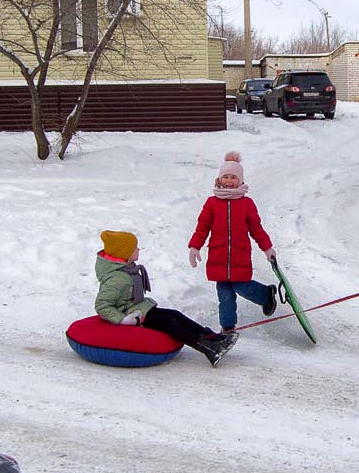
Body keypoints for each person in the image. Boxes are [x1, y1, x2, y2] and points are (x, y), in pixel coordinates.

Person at [94, 230, 238, 367]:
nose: (138, 249)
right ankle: (210, 349)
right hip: (130, 315)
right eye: (134, 248)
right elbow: (102, 305)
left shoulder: (127, 269)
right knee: (169, 322)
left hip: (137, 308)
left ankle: (213, 338)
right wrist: (123, 319)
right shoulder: (116, 279)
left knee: (175, 314)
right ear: (124, 254)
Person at [188, 151, 278, 332]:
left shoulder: (247, 204)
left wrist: (267, 248)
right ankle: (227, 327)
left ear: (241, 180)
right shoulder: (211, 203)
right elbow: (202, 227)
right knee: (225, 294)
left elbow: (256, 229)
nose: (229, 181)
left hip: (239, 255)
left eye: (233, 177)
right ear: (219, 179)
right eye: (226, 177)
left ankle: (265, 294)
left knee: (242, 286)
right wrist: (194, 246)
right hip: (218, 256)